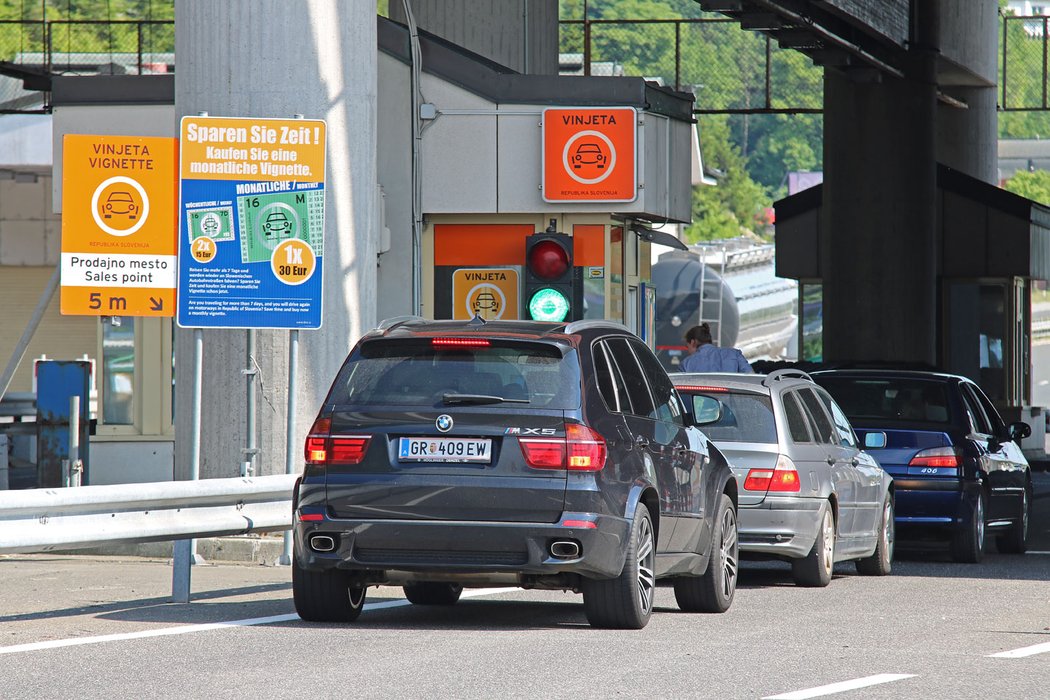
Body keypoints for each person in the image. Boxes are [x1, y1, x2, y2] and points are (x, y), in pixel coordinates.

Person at [680, 323, 754, 373]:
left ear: (693, 342)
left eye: (687, 346)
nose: (688, 351)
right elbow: (750, 378)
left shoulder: (686, 364)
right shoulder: (734, 354)